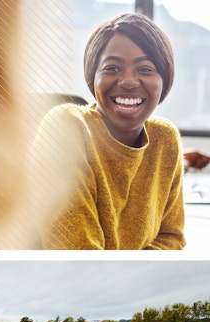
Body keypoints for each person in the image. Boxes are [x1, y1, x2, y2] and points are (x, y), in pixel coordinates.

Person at [28, 13, 183, 249]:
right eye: (112, 68)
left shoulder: (165, 139)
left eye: (145, 69)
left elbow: (172, 237)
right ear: (93, 78)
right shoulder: (65, 128)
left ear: (164, 79)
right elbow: (79, 255)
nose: (129, 81)